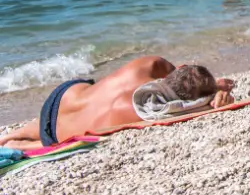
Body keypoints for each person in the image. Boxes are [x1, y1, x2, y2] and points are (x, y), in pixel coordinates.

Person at [0, 57, 233, 150]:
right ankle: (17, 145)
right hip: (56, 136)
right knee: (51, 137)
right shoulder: (140, 110)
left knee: (79, 99)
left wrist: (213, 85)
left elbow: (180, 70)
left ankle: (13, 134)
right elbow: (183, 109)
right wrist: (213, 99)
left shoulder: (152, 64)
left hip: (61, 97)